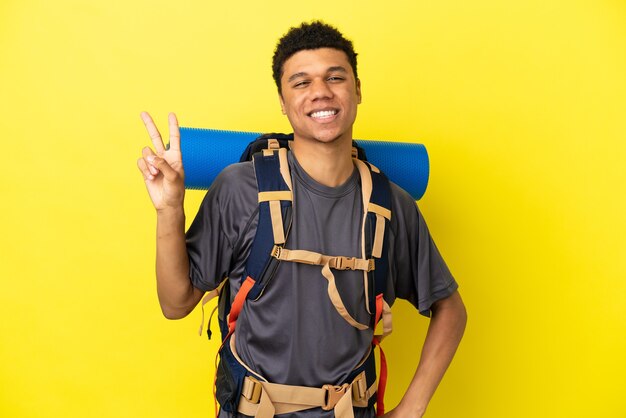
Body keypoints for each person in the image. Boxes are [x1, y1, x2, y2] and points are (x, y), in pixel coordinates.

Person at [137, 21, 467, 418]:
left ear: (357, 89)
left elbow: (451, 308)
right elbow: (176, 303)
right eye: (301, 82)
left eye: (335, 77)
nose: (320, 92)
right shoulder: (242, 190)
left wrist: (412, 407)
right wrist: (169, 209)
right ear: (282, 99)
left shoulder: (392, 207)